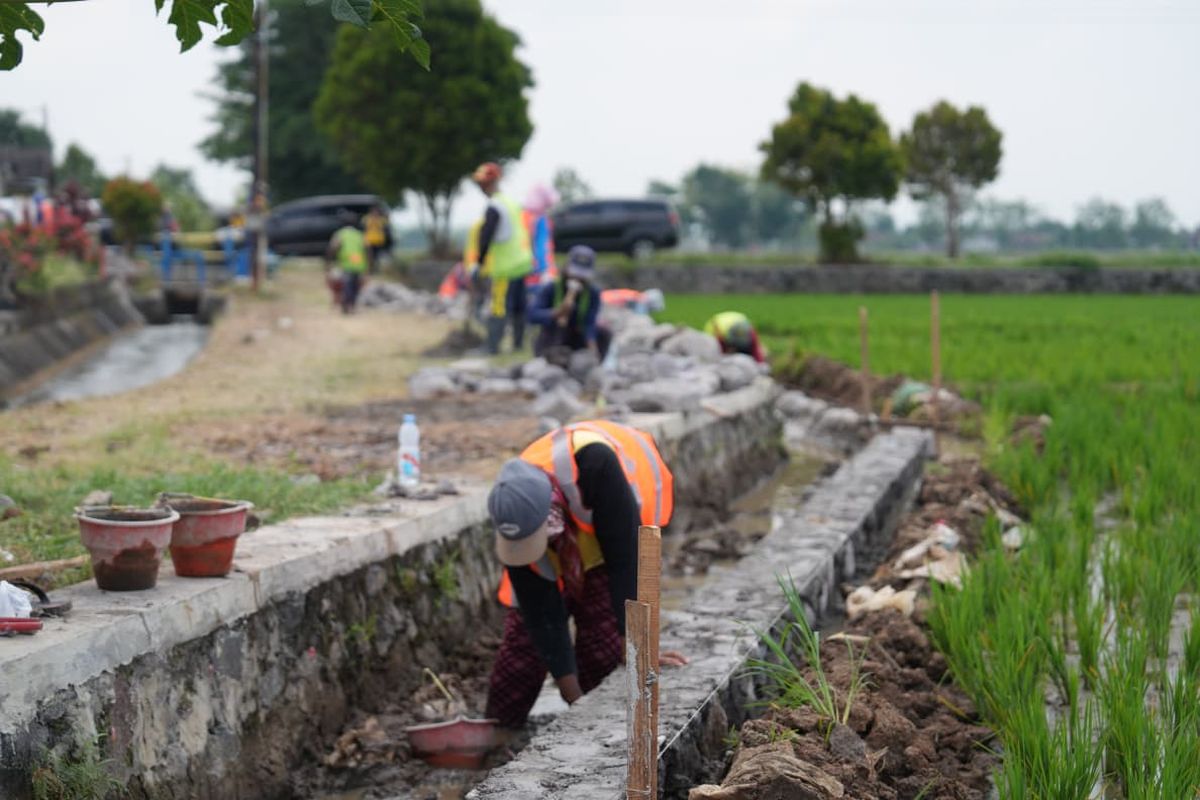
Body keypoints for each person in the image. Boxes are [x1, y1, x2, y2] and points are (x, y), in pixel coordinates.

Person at [484, 420, 688, 728]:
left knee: (603, 646)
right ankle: (498, 733)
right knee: (523, 647)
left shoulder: (595, 464)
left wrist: (636, 648)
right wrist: (572, 697)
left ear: (550, 517)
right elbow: (542, 615)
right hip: (567, 537)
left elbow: (625, 559)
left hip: (612, 536)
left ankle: (606, 722)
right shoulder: (513, 509)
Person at [469, 162, 533, 354]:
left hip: (505, 267)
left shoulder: (494, 207)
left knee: (498, 306)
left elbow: (485, 237)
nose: (481, 188)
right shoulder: (511, 203)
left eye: (482, 183)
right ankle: (518, 345)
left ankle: (492, 347)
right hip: (522, 262)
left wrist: (478, 264)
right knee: (519, 306)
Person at [528, 245, 611, 361]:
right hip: (554, 335)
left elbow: (590, 321)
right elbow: (532, 315)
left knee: (604, 332)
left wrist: (591, 343)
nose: (577, 277)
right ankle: (550, 359)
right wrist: (557, 312)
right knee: (558, 327)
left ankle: (595, 363)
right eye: (575, 272)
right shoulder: (551, 288)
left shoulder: (592, 293)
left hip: (578, 336)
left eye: (582, 275)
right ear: (566, 267)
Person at [326, 213, 368, 314]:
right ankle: (352, 305)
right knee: (355, 286)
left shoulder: (340, 234)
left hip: (346, 264)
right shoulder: (359, 235)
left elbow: (333, 248)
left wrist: (329, 261)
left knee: (346, 286)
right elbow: (367, 250)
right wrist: (369, 266)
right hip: (359, 264)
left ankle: (346, 305)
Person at [522, 183, 559, 286]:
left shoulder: (524, 217)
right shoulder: (541, 219)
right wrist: (544, 270)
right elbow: (541, 246)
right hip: (541, 271)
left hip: (525, 269)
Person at [600, 287, 666, 316]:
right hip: (603, 307)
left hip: (601, 300)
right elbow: (640, 317)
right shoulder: (641, 301)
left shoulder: (635, 295)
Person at [363, 206, 389, 273]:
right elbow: (364, 227)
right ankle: (370, 268)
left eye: (376, 212)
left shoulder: (381, 220)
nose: (375, 213)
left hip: (378, 240)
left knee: (377, 256)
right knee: (370, 255)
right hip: (369, 240)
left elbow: (386, 223)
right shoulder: (367, 219)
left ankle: (376, 269)